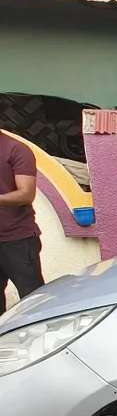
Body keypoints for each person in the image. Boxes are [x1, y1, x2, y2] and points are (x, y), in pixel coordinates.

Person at [0, 130, 44, 315]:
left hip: (17, 238)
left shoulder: (16, 149)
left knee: (33, 300)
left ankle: (41, 341)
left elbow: (26, 194)